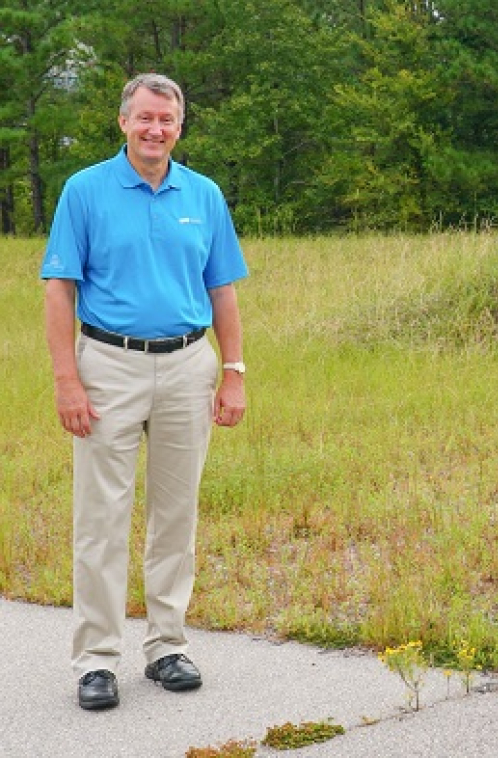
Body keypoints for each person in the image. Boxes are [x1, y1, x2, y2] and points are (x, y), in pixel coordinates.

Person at [41, 73, 249, 711]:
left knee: (175, 514)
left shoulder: (204, 194)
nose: (156, 128)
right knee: (101, 520)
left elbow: (222, 289)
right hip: (108, 365)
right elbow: (59, 289)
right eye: (145, 118)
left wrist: (234, 370)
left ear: (180, 126)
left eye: (168, 119)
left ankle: (166, 647)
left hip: (189, 365)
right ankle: (97, 659)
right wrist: (67, 380)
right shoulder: (85, 191)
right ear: (124, 122)